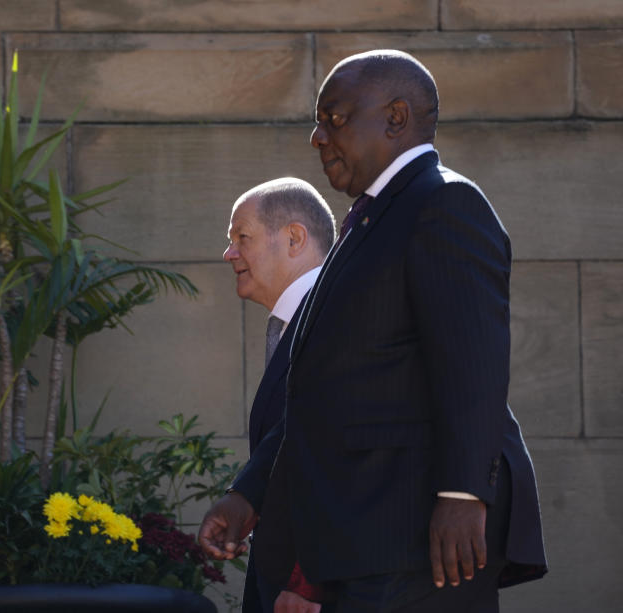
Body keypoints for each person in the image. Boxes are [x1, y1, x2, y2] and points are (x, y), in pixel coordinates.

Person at [199, 50, 547, 613]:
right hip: (365, 539)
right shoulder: (366, 221)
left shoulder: (444, 202)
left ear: (395, 117)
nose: (317, 137)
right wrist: (251, 494)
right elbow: (321, 395)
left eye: (333, 118)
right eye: (317, 122)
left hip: (420, 537)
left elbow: (472, 366)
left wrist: (463, 494)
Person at [223, 178, 336, 613]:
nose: (230, 253)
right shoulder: (302, 320)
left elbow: (340, 451)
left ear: (294, 237)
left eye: (242, 238)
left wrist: (309, 580)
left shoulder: (340, 315)